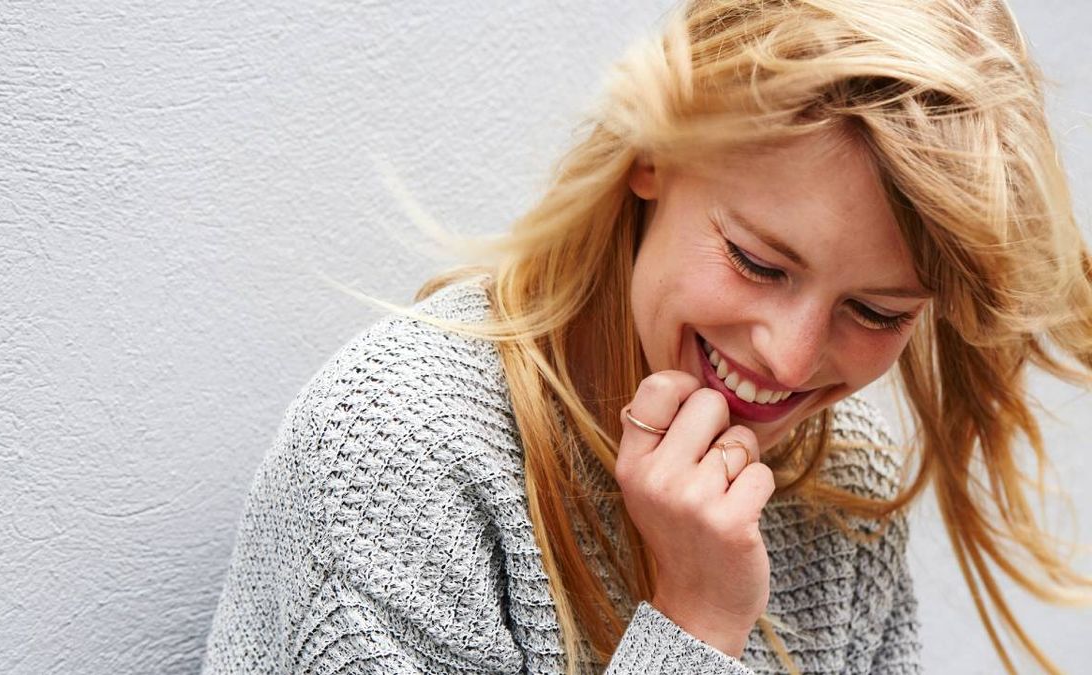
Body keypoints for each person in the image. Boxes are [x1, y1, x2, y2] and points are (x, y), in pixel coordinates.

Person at [201, 0, 1092, 673]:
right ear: (651, 156)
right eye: (757, 261)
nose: (788, 357)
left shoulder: (838, 489)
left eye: (876, 312)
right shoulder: (405, 451)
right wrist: (698, 621)